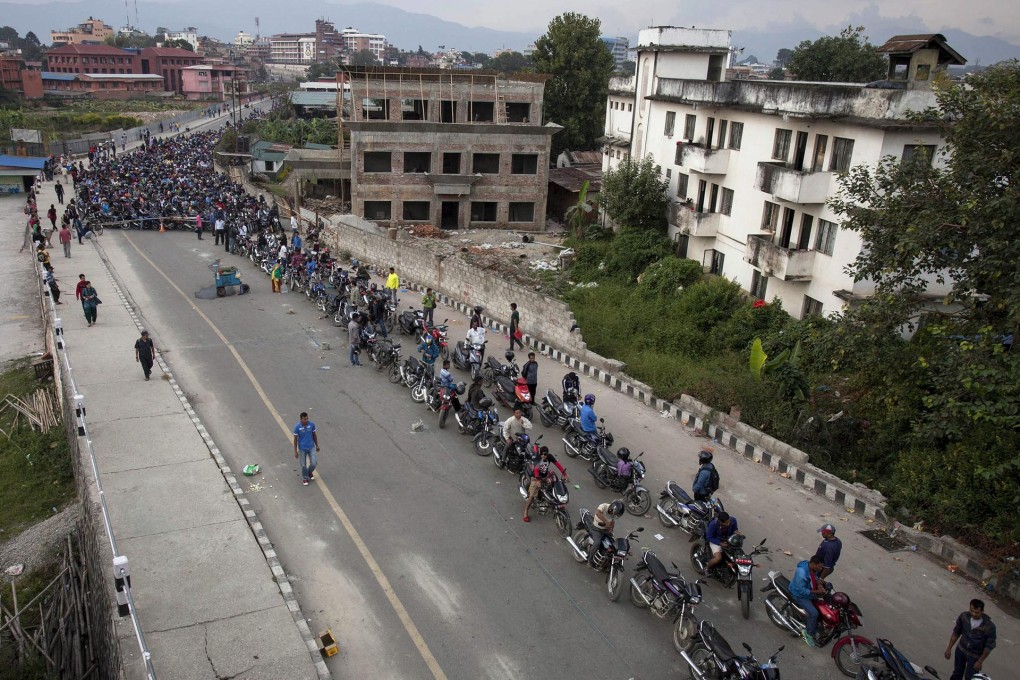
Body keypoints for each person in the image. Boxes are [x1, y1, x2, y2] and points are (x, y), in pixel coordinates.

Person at [945, 599, 996, 679]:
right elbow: (956, 633)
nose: (973, 614)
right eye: (971, 611)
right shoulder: (964, 617)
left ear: (982, 611)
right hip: (960, 651)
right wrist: (949, 649)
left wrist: (980, 661)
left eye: (976, 612)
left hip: (974, 657)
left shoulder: (989, 626)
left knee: (970, 677)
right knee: (957, 673)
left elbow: (989, 646)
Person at [522, 446, 569, 522]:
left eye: (545, 454)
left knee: (554, 484)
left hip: (545, 476)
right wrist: (538, 480)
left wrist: (565, 474)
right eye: (542, 454)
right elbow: (536, 470)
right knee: (532, 496)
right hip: (535, 478)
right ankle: (525, 512)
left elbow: (558, 465)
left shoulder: (550, 457)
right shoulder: (537, 458)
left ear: (547, 454)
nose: (543, 456)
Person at [790, 555, 828, 647]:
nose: (821, 568)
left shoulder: (811, 567)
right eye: (820, 566)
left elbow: (812, 578)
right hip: (798, 595)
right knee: (814, 613)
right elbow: (801, 590)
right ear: (814, 564)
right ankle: (808, 634)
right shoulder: (801, 573)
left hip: (807, 590)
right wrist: (817, 591)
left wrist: (818, 583)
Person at [589, 499, 624, 564]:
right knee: (597, 542)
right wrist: (606, 521)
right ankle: (590, 558)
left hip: (605, 530)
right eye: (614, 513)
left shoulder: (614, 513)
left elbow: (613, 521)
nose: (614, 515)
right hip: (596, 528)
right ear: (611, 508)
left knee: (612, 543)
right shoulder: (603, 506)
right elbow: (598, 513)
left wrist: (611, 528)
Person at [292, 412, 320, 486]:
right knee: (303, 465)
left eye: (307, 418)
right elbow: (295, 440)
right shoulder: (297, 427)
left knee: (314, 463)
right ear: (301, 419)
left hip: (311, 447)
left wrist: (317, 445)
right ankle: (305, 478)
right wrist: (295, 451)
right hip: (302, 449)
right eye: (305, 419)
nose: (306, 420)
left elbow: (314, 435)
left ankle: (309, 472)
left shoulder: (311, 425)